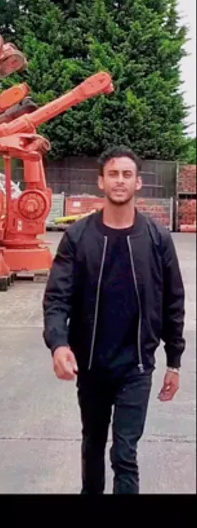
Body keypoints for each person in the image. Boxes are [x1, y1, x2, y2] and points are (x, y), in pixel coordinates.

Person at [42, 146, 186, 494]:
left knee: (124, 454)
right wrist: (58, 344)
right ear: (101, 182)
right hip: (91, 365)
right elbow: (57, 297)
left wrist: (174, 362)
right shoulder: (78, 237)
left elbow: (173, 301)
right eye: (113, 174)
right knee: (92, 444)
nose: (119, 181)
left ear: (138, 182)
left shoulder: (157, 238)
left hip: (136, 366)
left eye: (126, 174)